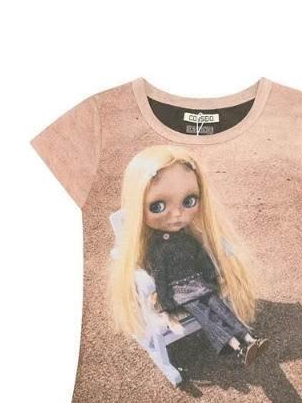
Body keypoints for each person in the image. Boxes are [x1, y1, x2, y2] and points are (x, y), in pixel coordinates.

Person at [106, 144, 269, 366]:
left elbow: (201, 257)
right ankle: (236, 347)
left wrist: (212, 276)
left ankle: (249, 338)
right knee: (206, 315)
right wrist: (164, 301)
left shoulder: (188, 237)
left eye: (189, 201)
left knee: (220, 308)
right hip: (180, 294)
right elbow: (160, 275)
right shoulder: (155, 248)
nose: (177, 214)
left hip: (200, 284)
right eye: (157, 206)